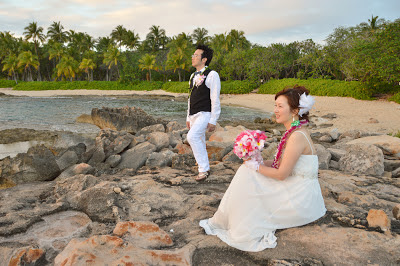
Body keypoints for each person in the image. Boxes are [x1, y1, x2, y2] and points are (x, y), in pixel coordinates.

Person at [199, 85, 326, 252]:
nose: (276, 110)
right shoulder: (293, 131)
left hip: (301, 199)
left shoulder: (297, 136)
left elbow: (281, 174)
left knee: (248, 173)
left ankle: (229, 220)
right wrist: (256, 160)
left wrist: (255, 166)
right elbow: (279, 163)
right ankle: (228, 218)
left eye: (280, 106)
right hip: (296, 188)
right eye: (275, 105)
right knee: (247, 171)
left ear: (295, 111)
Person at [186, 45, 221, 181]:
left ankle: (203, 169)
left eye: (196, 55)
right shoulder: (192, 76)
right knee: (198, 139)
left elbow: (215, 98)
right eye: (193, 55)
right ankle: (204, 168)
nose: (193, 57)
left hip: (205, 113)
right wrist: (188, 117)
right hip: (194, 115)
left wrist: (213, 119)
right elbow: (190, 98)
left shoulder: (212, 75)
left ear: (204, 59)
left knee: (192, 137)